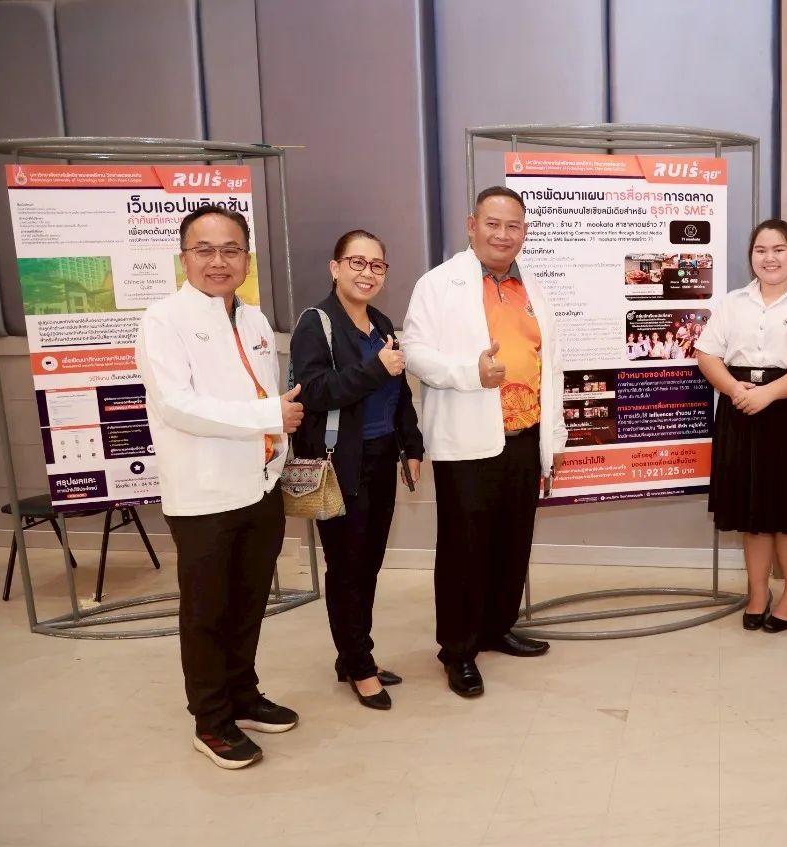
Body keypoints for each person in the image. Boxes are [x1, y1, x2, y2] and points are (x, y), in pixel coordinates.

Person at [136, 205, 302, 769]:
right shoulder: (163, 320)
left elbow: (268, 395)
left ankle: (243, 695)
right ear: (183, 258)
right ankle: (211, 721)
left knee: (250, 601)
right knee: (207, 612)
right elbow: (177, 405)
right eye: (204, 249)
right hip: (203, 495)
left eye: (231, 249)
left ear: (247, 259)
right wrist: (267, 416)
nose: (218, 261)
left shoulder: (254, 320)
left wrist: (275, 447)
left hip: (260, 487)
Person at [403, 186, 567, 698]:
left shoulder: (532, 288)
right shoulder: (438, 284)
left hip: (524, 437)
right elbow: (414, 352)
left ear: (525, 232)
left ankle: (497, 627)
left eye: (513, 225)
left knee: (512, 540)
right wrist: (468, 372)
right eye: (493, 223)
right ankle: (457, 650)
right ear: (472, 225)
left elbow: (550, 366)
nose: (503, 234)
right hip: (467, 440)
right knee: (464, 548)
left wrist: (554, 438)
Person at [289, 230, 424, 711]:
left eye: (377, 265)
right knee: (347, 567)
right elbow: (314, 392)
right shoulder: (316, 323)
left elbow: (399, 391)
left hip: (382, 456)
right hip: (340, 462)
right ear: (335, 268)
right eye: (357, 263)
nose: (368, 273)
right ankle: (359, 666)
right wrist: (376, 369)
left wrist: (412, 444)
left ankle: (353, 654)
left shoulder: (381, 322)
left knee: (368, 564)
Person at [696, 219, 787, 632]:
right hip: (739, 407)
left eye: (778, 249)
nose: (769, 258)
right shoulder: (732, 302)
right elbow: (707, 354)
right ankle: (758, 593)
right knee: (751, 512)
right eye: (761, 250)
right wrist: (734, 390)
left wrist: (768, 394)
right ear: (751, 256)